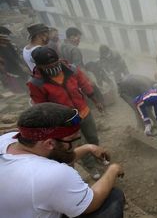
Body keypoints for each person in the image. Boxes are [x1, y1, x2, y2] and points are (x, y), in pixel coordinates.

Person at [0, 103, 125, 218]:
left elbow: (56, 156)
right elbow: (92, 203)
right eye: (71, 140)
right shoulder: (52, 175)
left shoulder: (7, 140)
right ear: (49, 143)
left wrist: (88, 147)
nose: (74, 145)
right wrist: (113, 169)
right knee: (113, 197)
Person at [27, 46, 105, 180]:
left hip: (84, 112)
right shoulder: (36, 83)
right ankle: (91, 167)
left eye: (55, 64)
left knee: (93, 138)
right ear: (39, 66)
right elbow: (42, 106)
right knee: (79, 144)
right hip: (67, 121)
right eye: (48, 66)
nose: (54, 67)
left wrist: (95, 100)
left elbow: (84, 84)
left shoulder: (71, 69)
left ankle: (99, 156)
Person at [0, 26, 28, 93]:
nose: (7, 36)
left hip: (14, 64)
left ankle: (24, 90)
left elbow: (14, 54)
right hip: (12, 65)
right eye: (5, 35)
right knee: (20, 78)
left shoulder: (7, 43)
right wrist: (20, 65)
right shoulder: (3, 46)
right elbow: (10, 56)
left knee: (22, 77)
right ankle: (23, 91)